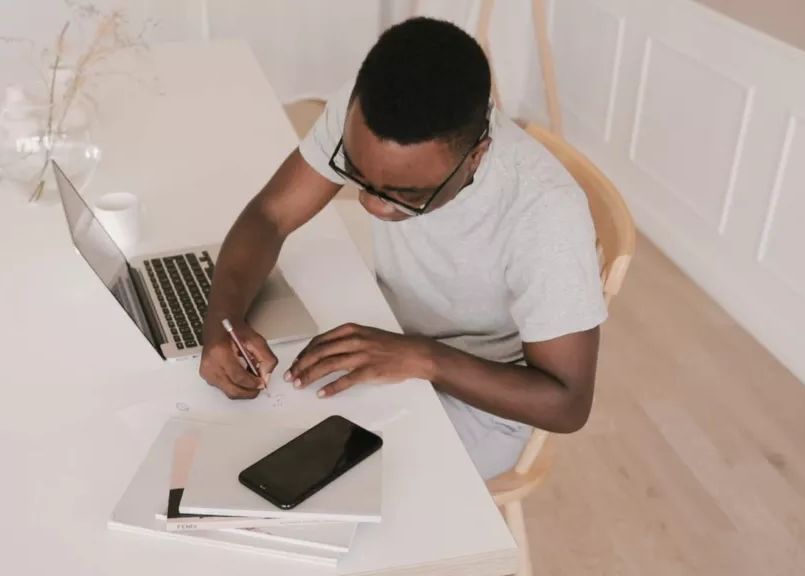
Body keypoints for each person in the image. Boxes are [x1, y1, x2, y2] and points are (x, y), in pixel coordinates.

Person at [198, 17, 607, 480]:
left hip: (486, 403)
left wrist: (422, 358)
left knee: (308, 484)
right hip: (391, 341)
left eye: (405, 196)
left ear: (476, 155)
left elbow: (567, 403)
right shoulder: (370, 114)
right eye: (356, 174)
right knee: (236, 440)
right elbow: (271, 215)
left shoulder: (544, 213)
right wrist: (222, 323)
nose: (371, 205)